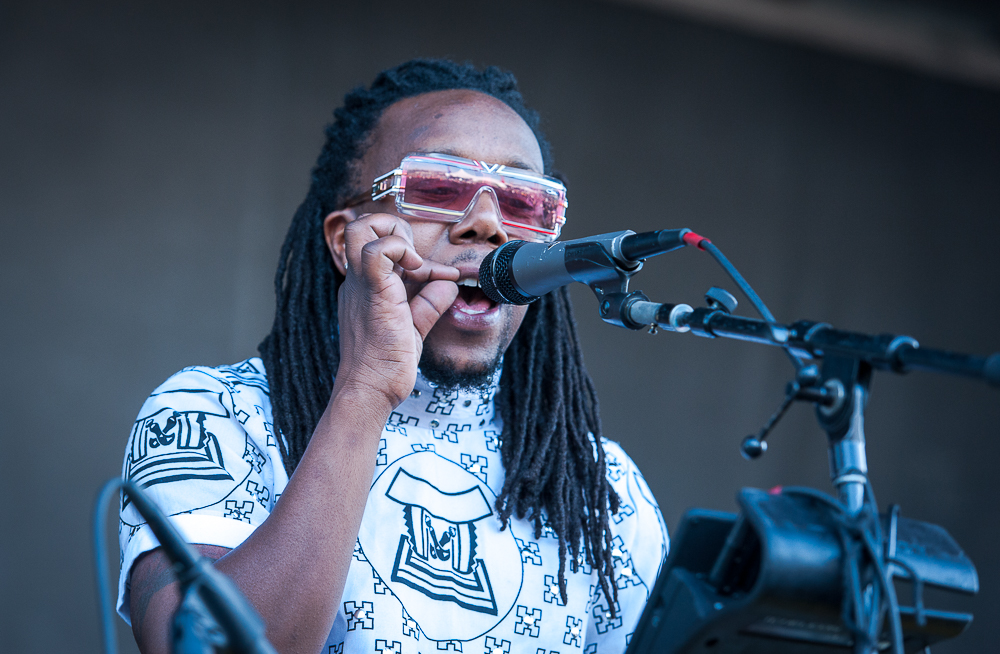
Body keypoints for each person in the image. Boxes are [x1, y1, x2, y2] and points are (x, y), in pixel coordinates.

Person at [118, 59, 668, 654]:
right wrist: (366, 389)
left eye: (522, 202)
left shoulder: (601, 485)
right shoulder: (212, 413)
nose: (486, 223)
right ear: (343, 240)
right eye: (437, 186)